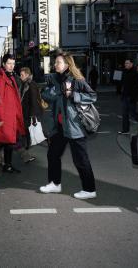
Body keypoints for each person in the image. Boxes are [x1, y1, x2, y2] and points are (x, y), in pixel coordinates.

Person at [40, 52, 97, 199]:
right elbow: (47, 96)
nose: (55, 64)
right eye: (56, 62)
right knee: (53, 154)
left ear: (67, 64)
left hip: (74, 126)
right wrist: (49, 91)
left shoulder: (77, 79)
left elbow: (92, 96)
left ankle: (89, 189)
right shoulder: (53, 79)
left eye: (58, 62)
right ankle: (54, 184)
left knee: (80, 159)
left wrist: (74, 96)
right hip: (59, 126)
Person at [0, 54, 25, 173]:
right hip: (6, 117)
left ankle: (7, 165)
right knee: (3, 142)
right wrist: (0, 118)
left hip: (12, 115)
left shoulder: (10, 77)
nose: (11, 66)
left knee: (9, 142)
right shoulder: (1, 79)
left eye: (13, 64)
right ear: (3, 64)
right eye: (9, 63)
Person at [19, 67, 42, 163]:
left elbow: (34, 100)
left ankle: (26, 148)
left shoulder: (31, 85)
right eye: (20, 75)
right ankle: (25, 149)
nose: (21, 77)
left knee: (28, 130)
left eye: (22, 75)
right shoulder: (24, 84)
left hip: (28, 112)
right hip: (24, 111)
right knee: (26, 131)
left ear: (27, 75)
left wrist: (33, 115)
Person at [119, 59, 138, 134]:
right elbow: (123, 84)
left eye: (127, 63)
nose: (125, 64)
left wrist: (134, 97)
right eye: (125, 63)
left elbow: (136, 87)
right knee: (124, 114)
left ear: (131, 64)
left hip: (131, 97)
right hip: (125, 96)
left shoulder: (135, 73)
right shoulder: (124, 72)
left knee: (133, 114)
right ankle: (125, 130)